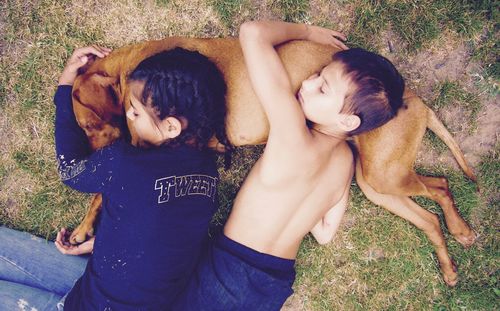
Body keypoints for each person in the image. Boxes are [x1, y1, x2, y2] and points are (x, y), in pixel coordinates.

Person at [172, 20, 405, 310]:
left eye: (322, 88)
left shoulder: (293, 134)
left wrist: (309, 32)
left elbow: (252, 33)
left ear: (347, 121)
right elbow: (324, 234)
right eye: (318, 74)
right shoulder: (345, 162)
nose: (308, 83)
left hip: (230, 270)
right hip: (273, 286)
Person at [0, 46, 229, 310]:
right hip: (108, 289)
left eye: (136, 111)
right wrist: (104, 243)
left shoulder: (125, 163)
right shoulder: (208, 176)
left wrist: (65, 86)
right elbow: (161, 236)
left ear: (171, 127)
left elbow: (69, 168)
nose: (129, 115)